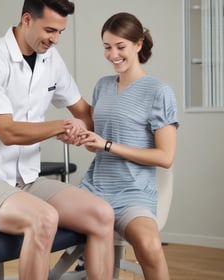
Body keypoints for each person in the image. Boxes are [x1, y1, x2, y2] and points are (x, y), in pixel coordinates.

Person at [0, 1, 115, 279]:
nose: (55, 39)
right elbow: (7, 132)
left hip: (27, 181)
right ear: (27, 19)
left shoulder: (51, 59)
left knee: (102, 214)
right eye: (50, 30)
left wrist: (94, 132)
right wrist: (61, 127)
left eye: (61, 32)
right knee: (44, 218)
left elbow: (84, 112)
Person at [77, 12, 179, 280]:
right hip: (94, 189)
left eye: (120, 47)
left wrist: (108, 145)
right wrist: (83, 136)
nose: (113, 55)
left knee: (149, 246)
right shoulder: (102, 86)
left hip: (133, 194)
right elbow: (96, 146)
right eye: (107, 47)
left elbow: (165, 156)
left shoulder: (159, 92)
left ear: (138, 44)